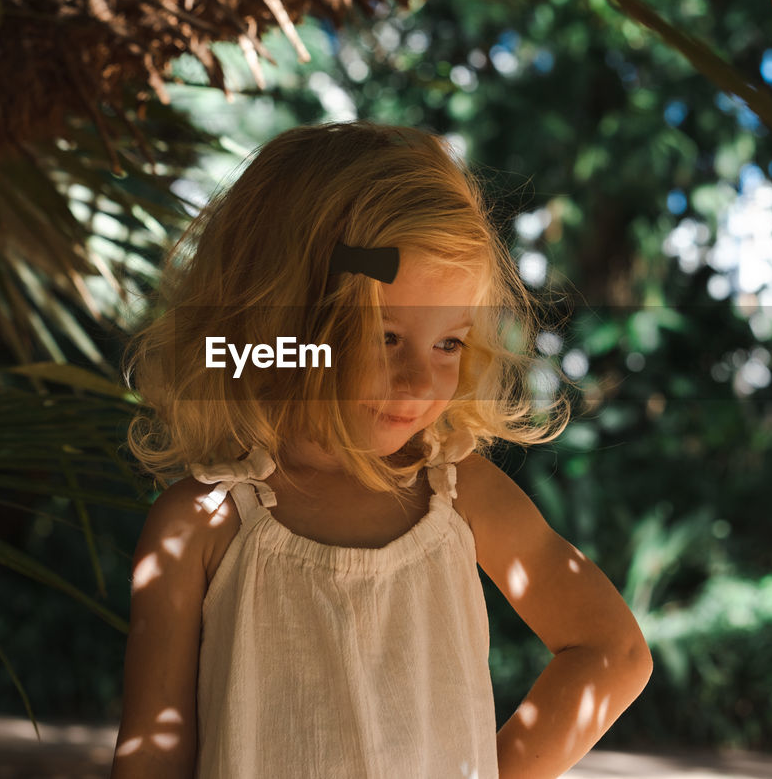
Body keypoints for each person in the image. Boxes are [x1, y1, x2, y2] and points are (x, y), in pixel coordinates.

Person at [110, 121, 652, 779]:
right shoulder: (201, 523)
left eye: (448, 342)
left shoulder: (461, 495)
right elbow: (152, 756)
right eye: (385, 336)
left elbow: (613, 650)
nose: (422, 380)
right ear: (278, 324)